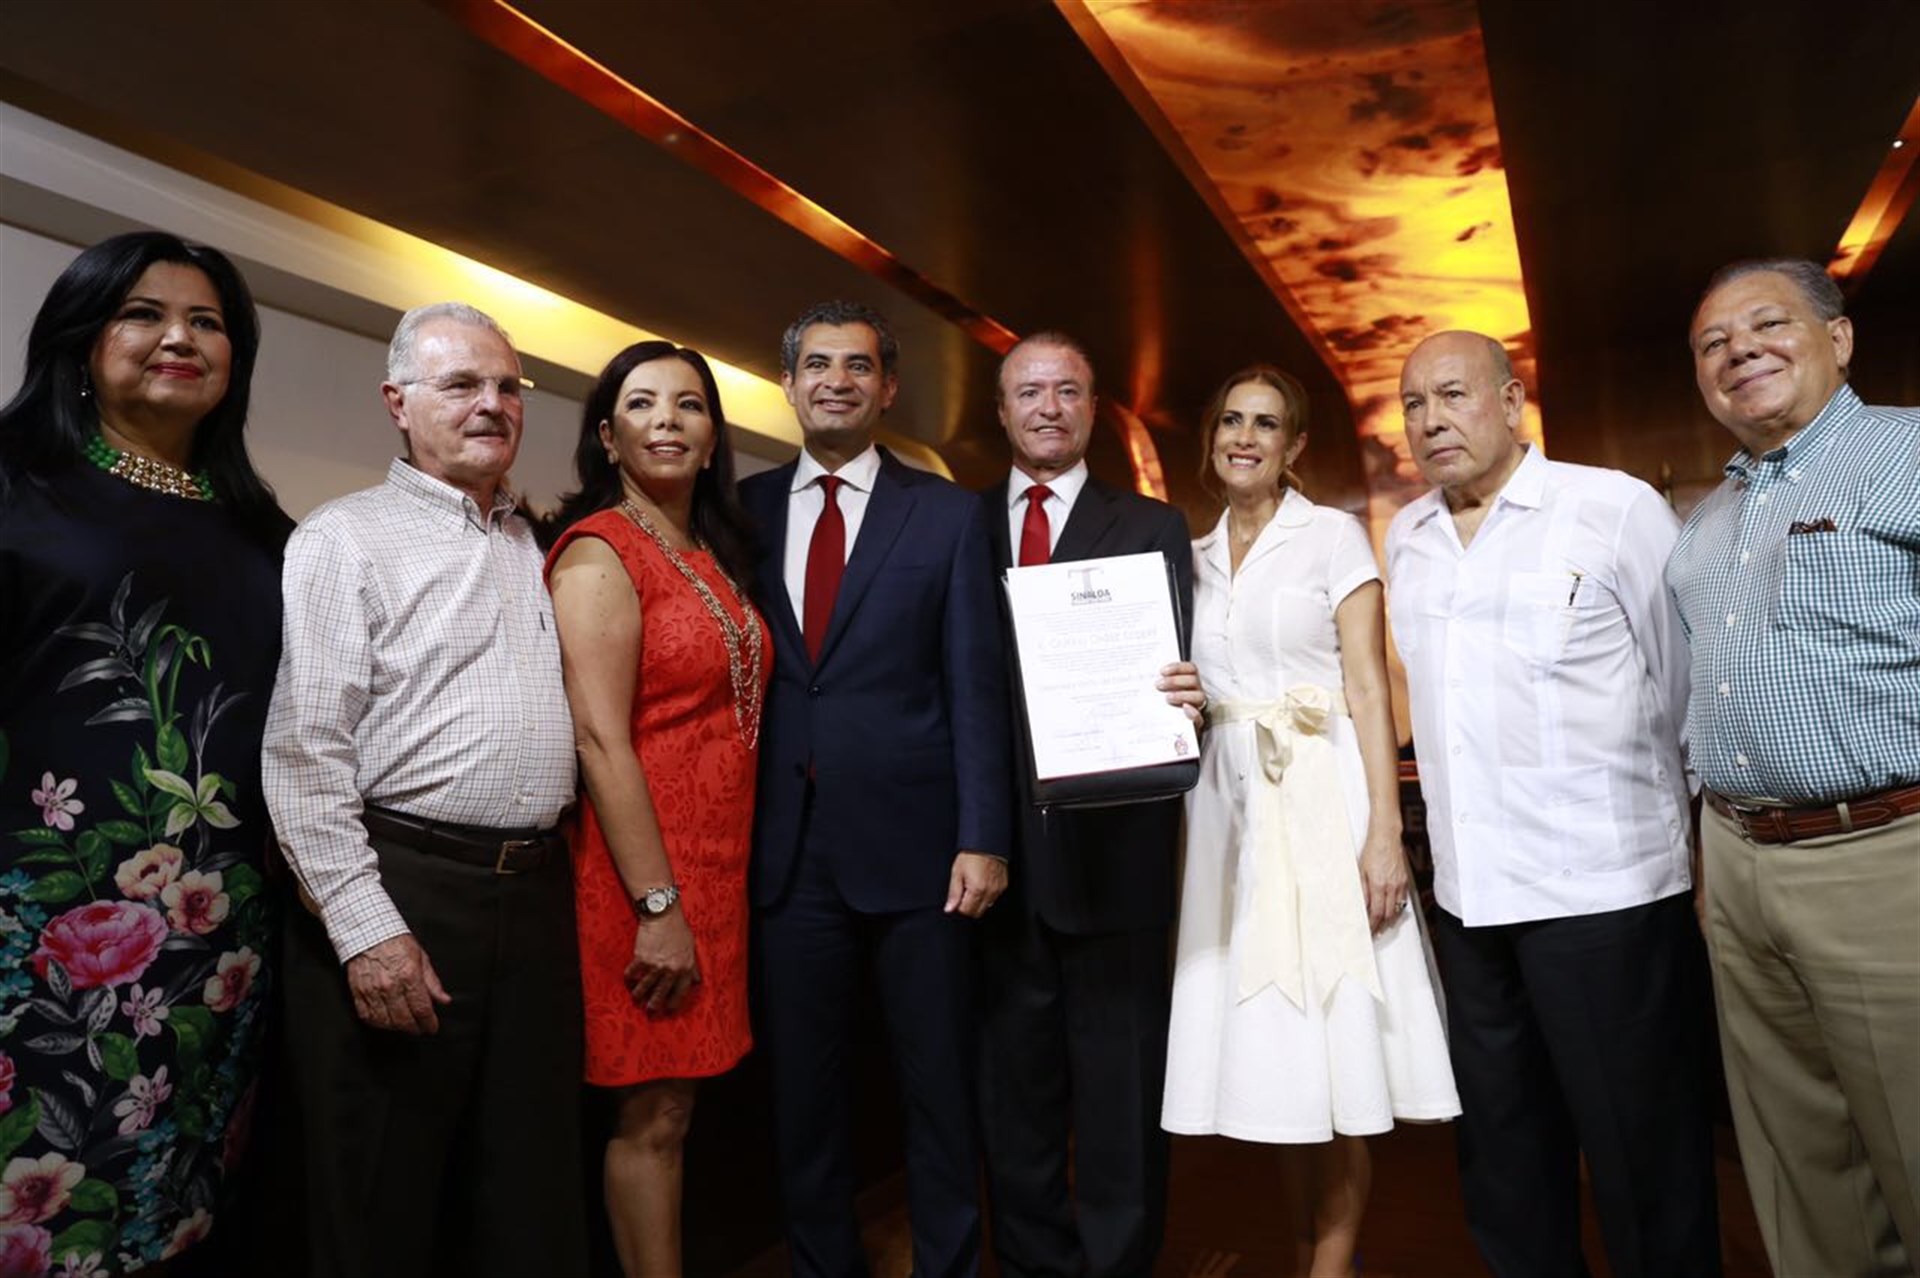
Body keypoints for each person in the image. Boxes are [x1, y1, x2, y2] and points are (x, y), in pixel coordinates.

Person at [1385, 331, 1719, 1277]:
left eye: (1451, 394)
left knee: (1643, 1160)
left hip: (1603, 897)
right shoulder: (1407, 537)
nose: (1431, 419)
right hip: (1470, 903)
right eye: (1412, 404)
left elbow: (1683, 686)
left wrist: (1697, 861)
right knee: (1505, 1162)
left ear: (1509, 397)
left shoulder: (1609, 507)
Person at [262, 302, 583, 1278]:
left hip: (532, 893)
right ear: (397, 403)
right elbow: (304, 753)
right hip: (403, 886)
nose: (492, 404)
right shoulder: (342, 539)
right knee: (379, 1201)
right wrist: (366, 930)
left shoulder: (536, 545)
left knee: (526, 1192)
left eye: (507, 387)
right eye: (461, 385)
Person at [0, 231, 290, 1277]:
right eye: (143, 314)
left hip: (218, 941)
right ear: (81, 339)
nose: (179, 338)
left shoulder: (268, 532)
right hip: (36, 932)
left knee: (173, 1205)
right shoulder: (18, 483)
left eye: (207, 322)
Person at [1162, 364, 1459, 1277]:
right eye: (1230, 422)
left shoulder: (1332, 537)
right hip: (1226, 819)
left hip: (1325, 803)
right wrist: (1183, 695)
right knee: (1279, 1061)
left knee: (1336, 1050)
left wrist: (1382, 834)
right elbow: (1195, 688)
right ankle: (1304, 1260)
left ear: (1294, 447)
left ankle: (1330, 1269)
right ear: (1211, 442)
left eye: (1267, 424)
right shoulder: (1190, 556)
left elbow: (1370, 689)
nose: (1245, 437)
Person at [738, 300, 1010, 1277]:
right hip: (787, 854)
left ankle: (948, 1265)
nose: (837, 381)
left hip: (923, 853)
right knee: (804, 1101)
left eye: (858, 366)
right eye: (818, 364)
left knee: (935, 1091)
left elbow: (976, 682)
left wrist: (985, 834)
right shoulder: (746, 508)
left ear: (887, 387)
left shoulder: (946, 513)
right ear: (790, 382)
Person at [1670, 258, 1920, 1277]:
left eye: (1767, 325)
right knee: (1796, 1159)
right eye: (1713, 345)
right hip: (1737, 860)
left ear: (1840, 339)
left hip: (1884, 854)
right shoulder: (1709, 520)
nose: (1739, 353)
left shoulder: (1905, 452)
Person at [975, 332, 1202, 1278]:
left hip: (1117, 862)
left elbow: (1189, 672)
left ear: (1093, 406)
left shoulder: (1153, 526)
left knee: (1120, 1101)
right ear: (1002, 410)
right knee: (1012, 1103)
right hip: (991, 863)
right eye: (1029, 391)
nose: (1048, 408)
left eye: (1069, 390)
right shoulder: (957, 522)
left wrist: (1195, 696)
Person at [543, 341, 768, 1277]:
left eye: (690, 405)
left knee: (678, 1112)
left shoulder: (707, 550)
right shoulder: (602, 551)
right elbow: (600, 742)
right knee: (653, 1117)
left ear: (715, 438)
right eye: (643, 404)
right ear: (608, 434)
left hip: (714, 869)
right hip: (643, 877)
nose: (668, 421)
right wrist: (659, 908)